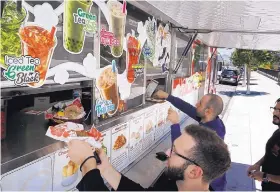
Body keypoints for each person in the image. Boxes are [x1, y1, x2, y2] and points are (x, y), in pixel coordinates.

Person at [68, 124, 231, 191]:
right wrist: (106, 169)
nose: (167, 153)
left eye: (174, 152)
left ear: (194, 172)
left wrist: (87, 164)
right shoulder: (176, 184)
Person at [154, 90, 226, 190]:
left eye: (200, 103)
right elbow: (187, 108)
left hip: (208, 184)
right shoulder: (212, 119)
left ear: (208, 111)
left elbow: (181, 149)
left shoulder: (211, 132)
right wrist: (167, 96)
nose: (196, 104)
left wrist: (175, 124)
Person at [247, 98, 280, 191]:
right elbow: (271, 153)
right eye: (275, 109)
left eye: (279, 110)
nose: (275, 113)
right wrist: (258, 164)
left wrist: (265, 176)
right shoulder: (277, 132)